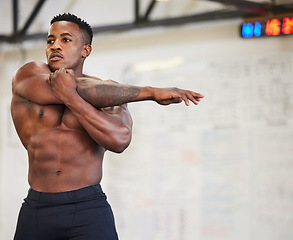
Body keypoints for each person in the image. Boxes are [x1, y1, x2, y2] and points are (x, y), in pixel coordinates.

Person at [10, 13, 204, 240]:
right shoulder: (29, 74)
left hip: (87, 208)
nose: (55, 46)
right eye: (50, 40)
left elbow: (119, 140)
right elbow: (77, 87)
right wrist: (150, 92)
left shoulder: (111, 92)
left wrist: (72, 100)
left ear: (85, 50)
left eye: (65, 39)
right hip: (37, 208)